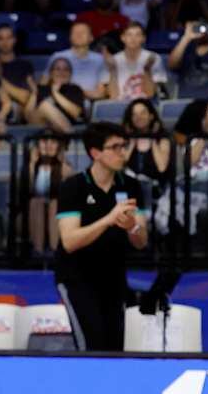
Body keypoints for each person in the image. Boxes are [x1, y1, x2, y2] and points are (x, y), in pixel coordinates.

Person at [54, 121, 149, 351]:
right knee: (91, 345)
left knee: (116, 345)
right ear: (95, 153)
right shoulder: (73, 187)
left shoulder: (132, 185)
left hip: (114, 277)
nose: (122, 152)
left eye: (124, 146)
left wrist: (132, 227)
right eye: (115, 147)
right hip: (77, 277)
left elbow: (141, 241)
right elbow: (69, 242)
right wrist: (109, 219)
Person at [22, 134, 74, 254]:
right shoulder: (32, 166)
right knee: (36, 202)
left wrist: (64, 167)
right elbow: (27, 190)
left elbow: (67, 192)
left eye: (53, 141)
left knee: (54, 203)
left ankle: (54, 248)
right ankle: (38, 250)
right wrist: (31, 164)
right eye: (44, 141)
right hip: (35, 207)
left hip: (57, 206)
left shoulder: (64, 166)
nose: (48, 145)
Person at [106, 22, 166, 101]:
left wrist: (147, 70)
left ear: (143, 38)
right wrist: (113, 71)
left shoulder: (154, 58)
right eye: (129, 35)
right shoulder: (113, 60)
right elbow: (113, 96)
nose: (133, 39)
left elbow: (150, 94)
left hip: (146, 104)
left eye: (137, 35)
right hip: (119, 104)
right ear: (122, 38)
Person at [49, 22, 108, 101]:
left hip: (87, 103)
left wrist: (75, 94)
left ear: (91, 38)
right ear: (70, 37)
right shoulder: (57, 56)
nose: (79, 35)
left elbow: (100, 93)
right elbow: (44, 85)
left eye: (83, 32)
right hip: (58, 100)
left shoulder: (100, 59)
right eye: (75, 32)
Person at [31, 57, 86, 134]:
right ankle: (70, 136)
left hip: (65, 126)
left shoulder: (75, 89)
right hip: (41, 128)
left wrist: (55, 93)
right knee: (44, 106)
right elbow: (28, 115)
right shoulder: (41, 89)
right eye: (57, 69)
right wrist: (34, 93)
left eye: (66, 69)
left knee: (45, 105)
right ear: (51, 73)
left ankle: (68, 135)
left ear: (70, 74)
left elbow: (76, 113)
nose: (61, 72)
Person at [0, 25, 34, 116]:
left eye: (8, 38)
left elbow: (25, 98)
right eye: (1, 38)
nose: (5, 42)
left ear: (14, 40)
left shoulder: (25, 65)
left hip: (18, 112)